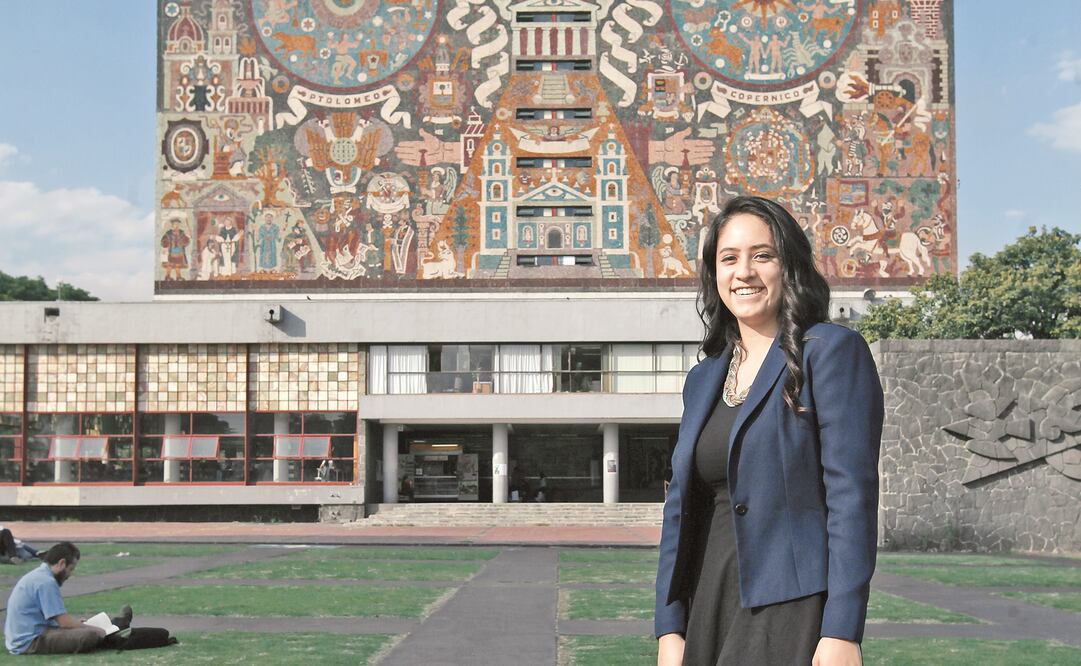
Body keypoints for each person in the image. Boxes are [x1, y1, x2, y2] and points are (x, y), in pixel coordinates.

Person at [655, 196, 883, 666]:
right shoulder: (703, 379)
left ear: (789, 265)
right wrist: (670, 624)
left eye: (762, 255)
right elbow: (680, 509)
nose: (745, 272)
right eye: (729, 258)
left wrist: (842, 629)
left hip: (793, 602)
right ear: (714, 274)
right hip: (708, 599)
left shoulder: (831, 352)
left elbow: (850, 497)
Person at [4, 542, 132, 655]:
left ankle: (115, 624)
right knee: (89, 635)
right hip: (31, 641)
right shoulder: (45, 582)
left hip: (31, 634)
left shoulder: (39, 576)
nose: (69, 575)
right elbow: (64, 622)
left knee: (85, 626)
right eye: (71, 569)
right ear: (61, 563)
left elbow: (54, 619)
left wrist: (79, 624)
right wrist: (96, 629)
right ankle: (114, 632)